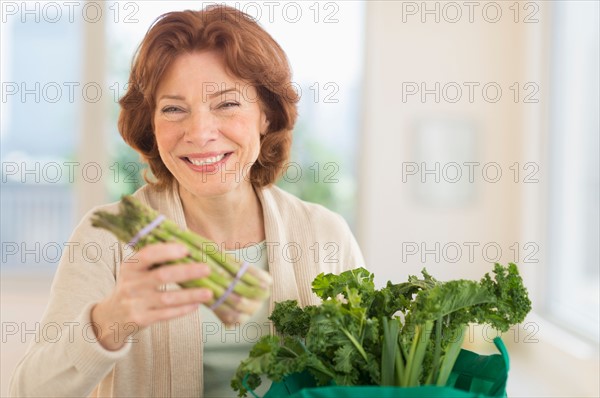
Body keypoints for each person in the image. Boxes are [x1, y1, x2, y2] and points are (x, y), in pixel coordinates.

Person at [9, 5, 365, 397]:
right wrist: (111, 320)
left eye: (226, 104)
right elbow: (28, 391)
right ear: (152, 123)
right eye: (174, 109)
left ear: (266, 114)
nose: (199, 132)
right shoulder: (107, 240)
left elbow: (369, 376)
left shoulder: (325, 234)